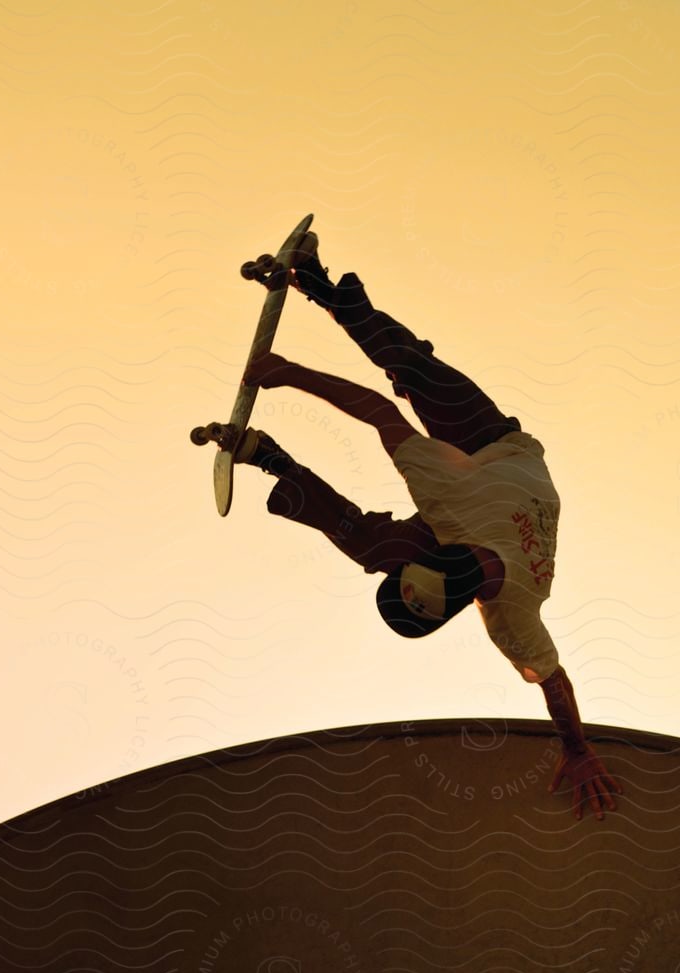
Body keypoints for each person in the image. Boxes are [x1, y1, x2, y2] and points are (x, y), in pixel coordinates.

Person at [207, 230, 622, 820]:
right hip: (496, 446)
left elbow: (555, 683)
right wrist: (288, 372)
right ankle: (318, 281)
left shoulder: (511, 614)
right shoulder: (465, 529)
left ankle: (270, 458)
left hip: (491, 490)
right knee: (409, 369)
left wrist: (579, 749)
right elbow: (380, 408)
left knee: (380, 547)